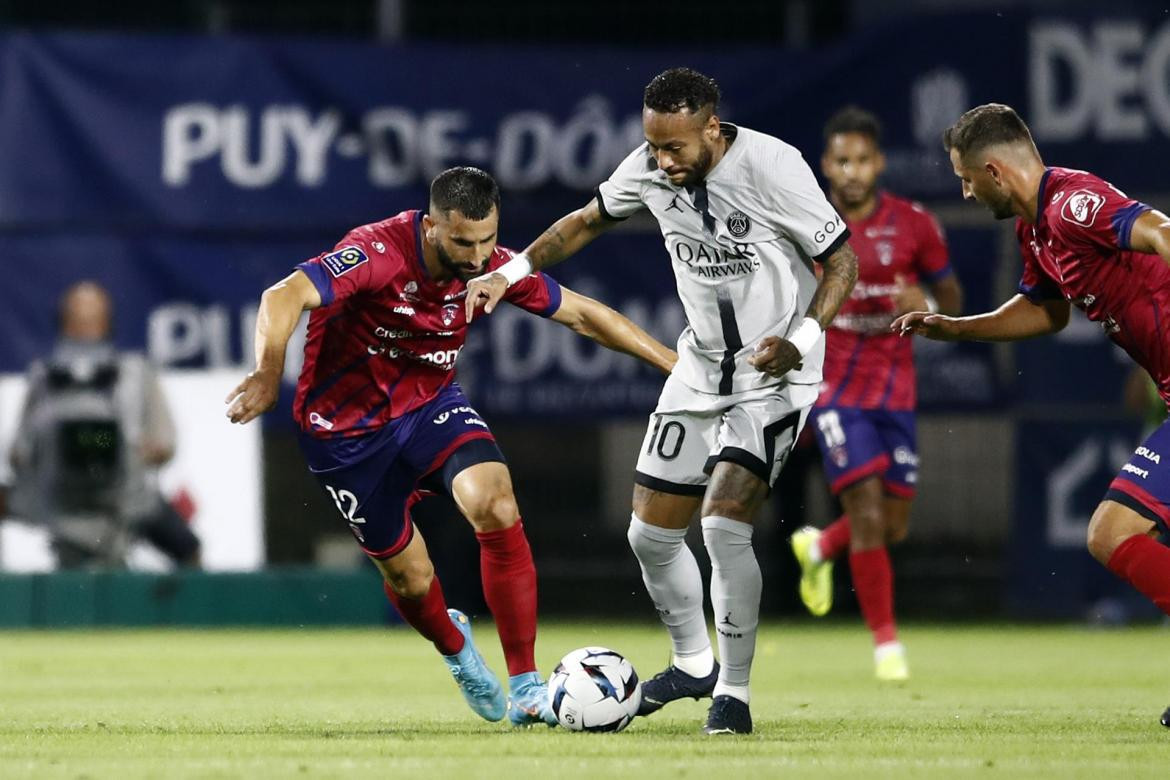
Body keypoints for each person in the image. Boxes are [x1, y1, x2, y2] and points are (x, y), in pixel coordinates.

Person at [466, 68, 858, 734]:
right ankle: (693, 663)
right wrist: (512, 270)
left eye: (675, 147)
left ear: (712, 127)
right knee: (649, 534)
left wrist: (804, 337)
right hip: (701, 370)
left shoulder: (773, 167)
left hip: (776, 377)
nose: (663, 160)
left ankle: (732, 692)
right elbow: (584, 221)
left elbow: (842, 260)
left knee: (724, 523)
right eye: (653, 146)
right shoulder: (650, 169)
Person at [226, 166, 676, 727]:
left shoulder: (493, 266)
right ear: (433, 227)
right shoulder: (376, 253)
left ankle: (527, 686)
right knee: (411, 580)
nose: (478, 255)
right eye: (464, 242)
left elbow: (586, 316)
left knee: (495, 502)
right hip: (345, 434)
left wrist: (678, 370)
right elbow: (283, 294)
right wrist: (268, 372)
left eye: (489, 240)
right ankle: (455, 648)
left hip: (428, 407)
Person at [892, 103, 1170, 727]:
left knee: (1112, 532)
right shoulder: (1034, 230)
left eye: (965, 178)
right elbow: (1047, 312)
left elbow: (1159, 231)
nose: (963, 189)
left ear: (993, 170)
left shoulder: (1072, 203)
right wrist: (954, 329)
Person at [789, 107, 963, 681]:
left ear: (880, 163)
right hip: (834, 390)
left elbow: (953, 302)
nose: (853, 170)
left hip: (896, 393)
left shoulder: (915, 224)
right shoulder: (807, 226)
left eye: (863, 159)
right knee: (863, 510)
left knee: (891, 525)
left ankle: (818, 549)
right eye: (842, 160)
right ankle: (887, 647)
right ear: (826, 165)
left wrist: (928, 309)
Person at [8, 281, 199, 568]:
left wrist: (131, 449)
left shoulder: (136, 374)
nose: (84, 331)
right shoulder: (44, 379)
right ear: (63, 324)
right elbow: (19, 452)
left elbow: (164, 442)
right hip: (62, 505)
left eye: (92, 321)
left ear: (107, 324)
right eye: (76, 322)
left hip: (128, 500)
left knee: (189, 549)